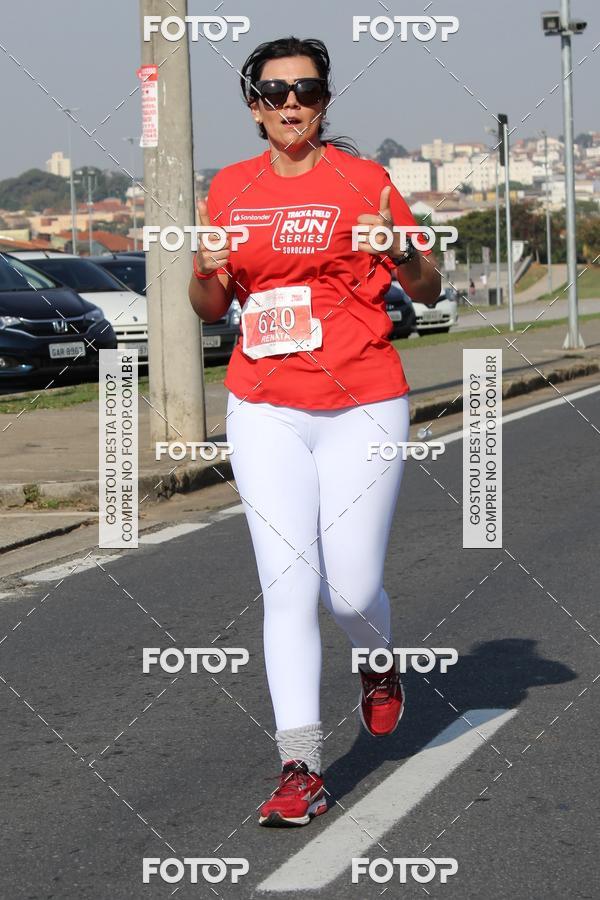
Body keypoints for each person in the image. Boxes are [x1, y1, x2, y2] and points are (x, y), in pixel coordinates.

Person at [188, 36, 440, 827]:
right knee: (287, 588)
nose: (290, 104)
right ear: (253, 105)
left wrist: (398, 248)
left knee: (350, 589)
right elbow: (208, 307)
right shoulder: (228, 188)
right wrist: (204, 270)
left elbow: (430, 291)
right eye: (272, 91)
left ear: (326, 99)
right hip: (263, 404)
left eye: (305, 89)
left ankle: (377, 660)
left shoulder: (366, 181)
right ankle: (300, 765)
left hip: (362, 399)